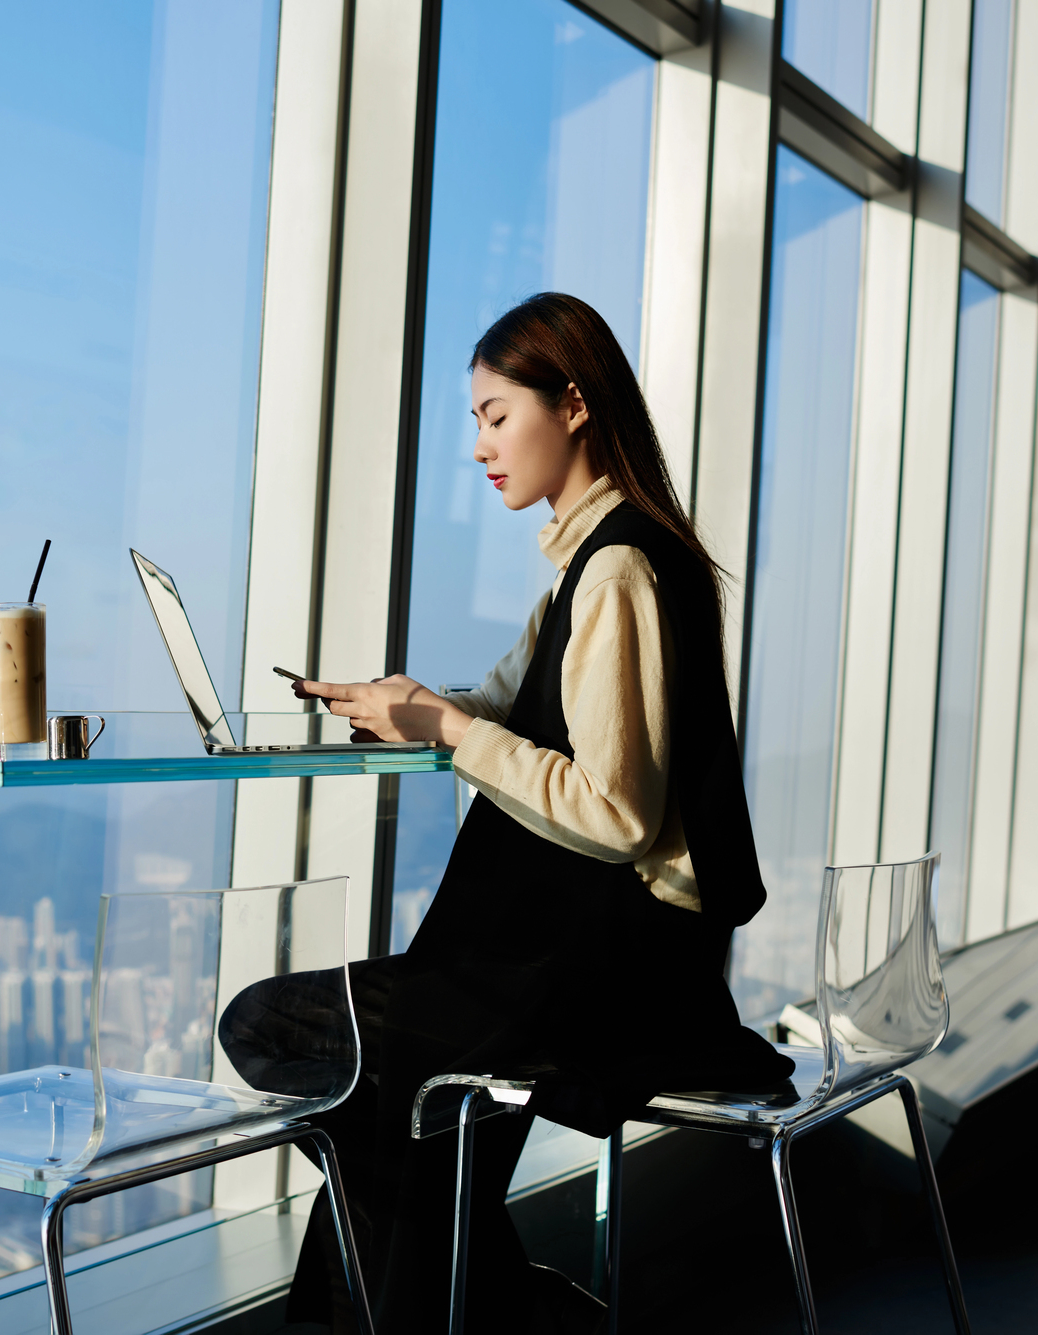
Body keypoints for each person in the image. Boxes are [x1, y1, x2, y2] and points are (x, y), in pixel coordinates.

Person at [224, 293, 792, 1334]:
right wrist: (399, 707)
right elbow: (511, 703)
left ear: (570, 404)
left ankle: (508, 1310)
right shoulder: (597, 559)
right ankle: (494, 1306)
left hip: (605, 980)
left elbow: (616, 812)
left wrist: (445, 729)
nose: (477, 445)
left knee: (282, 1034)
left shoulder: (614, 569)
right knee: (385, 1117)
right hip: (605, 957)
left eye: (493, 415)